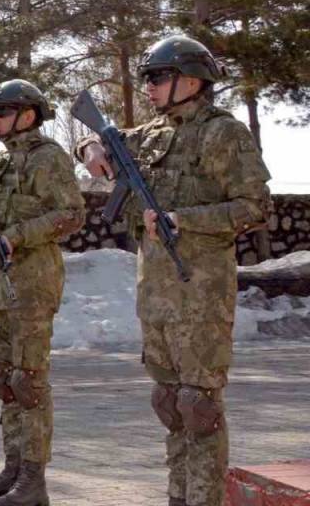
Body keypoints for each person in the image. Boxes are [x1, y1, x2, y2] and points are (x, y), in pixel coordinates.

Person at [76, 35, 271, 506]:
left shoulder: (222, 133)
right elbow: (91, 139)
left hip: (201, 292)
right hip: (158, 295)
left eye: (158, 77)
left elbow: (254, 206)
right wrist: (90, 150)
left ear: (190, 80)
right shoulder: (154, 134)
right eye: (146, 78)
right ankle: (178, 496)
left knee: (198, 406)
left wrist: (185, 221)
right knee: (169, 403)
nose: (148, 87)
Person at [0, 80, 84, 506]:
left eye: (2, 110)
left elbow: (72, 214)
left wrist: (17, 236)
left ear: (28, 114)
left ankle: (33, 480)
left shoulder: (49, 159)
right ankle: (12, 468)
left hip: (32, 284)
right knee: (5, 381)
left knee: (29, 382)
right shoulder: (0, 164)